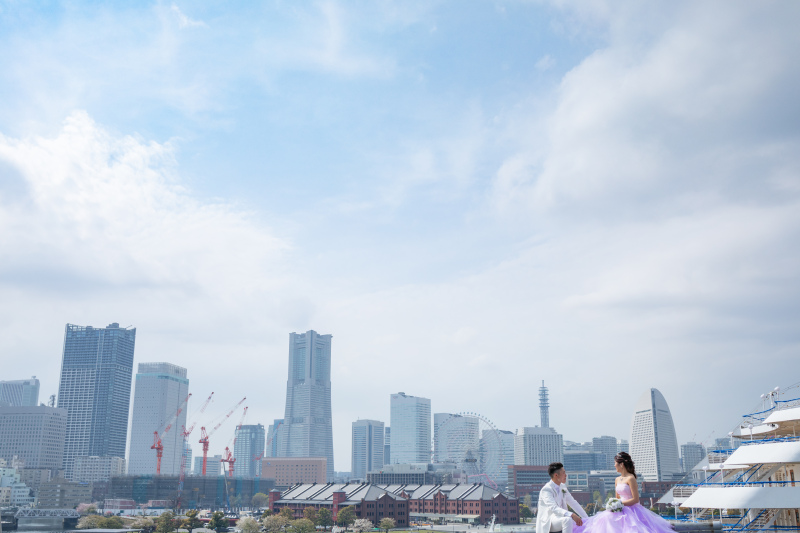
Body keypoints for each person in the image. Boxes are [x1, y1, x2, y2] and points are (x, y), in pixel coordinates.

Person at [574, 452, 674, 533]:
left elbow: (636, 499)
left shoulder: (631, 478)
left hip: (632, 510)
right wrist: (614, 503)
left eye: (615, 463)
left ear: (621, 464)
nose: (614, 465)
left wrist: (619, 504)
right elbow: (617, 498)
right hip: (618, 509)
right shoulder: (617, 479)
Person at [536, 462, 589, 533]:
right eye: (563, 473)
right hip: (549, 521)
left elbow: (573, 503)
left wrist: (587, 519)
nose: (566, 475)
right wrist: (572, 515)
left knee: (579, 523)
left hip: (560, 518)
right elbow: (554, 508)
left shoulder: (563, 487)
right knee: (568, 520)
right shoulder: (546, 489)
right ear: (556, 475)